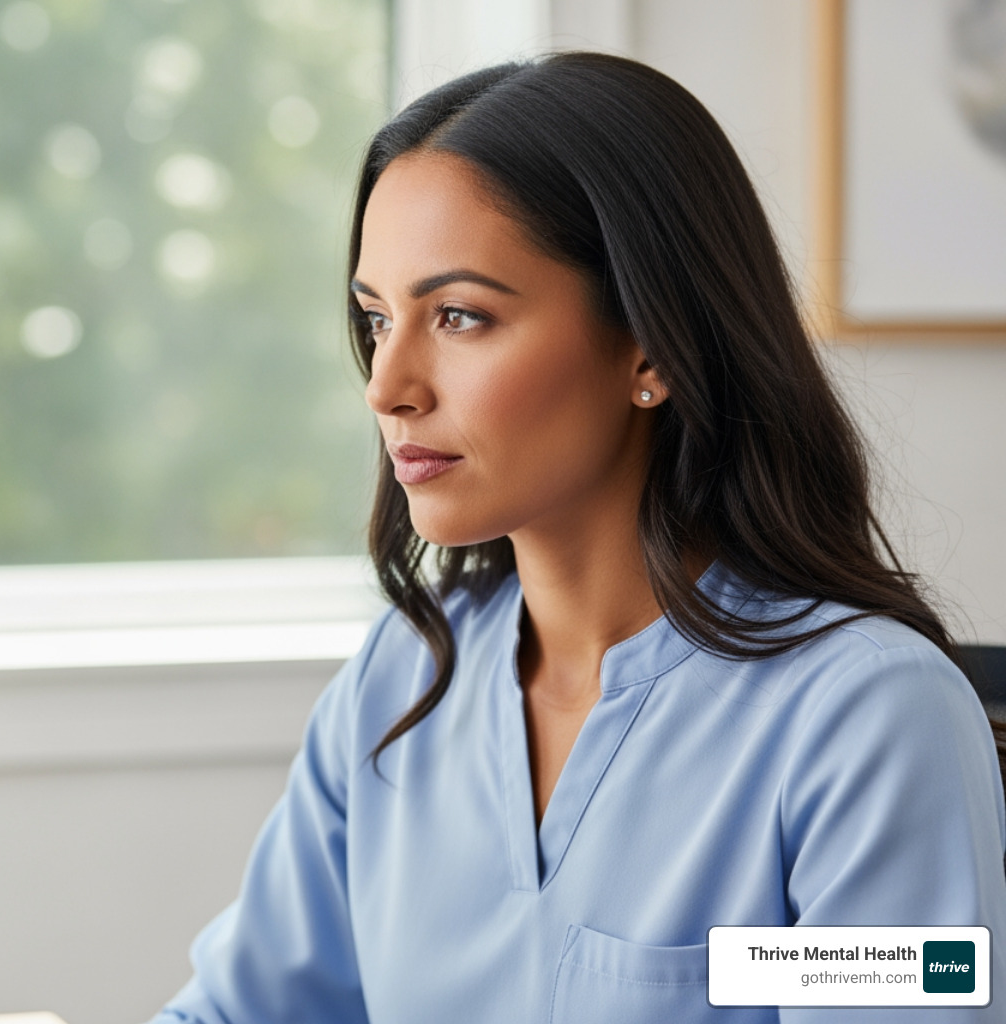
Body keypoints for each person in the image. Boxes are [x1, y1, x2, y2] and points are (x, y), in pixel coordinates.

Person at [147, 52, 1006, 1023]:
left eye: (461, 316)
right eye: (377, 319)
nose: (387, 385)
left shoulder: (867, 717)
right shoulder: (405, 677)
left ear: (650, 343)